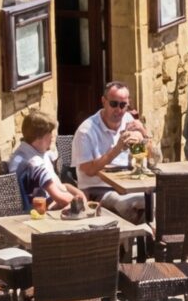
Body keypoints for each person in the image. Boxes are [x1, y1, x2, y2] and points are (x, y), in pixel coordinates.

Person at [72, 81, 152, 225]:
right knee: (132, 204)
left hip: (128, 185)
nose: (119, 110)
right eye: (114, 104)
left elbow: (152, 157)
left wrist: (144, 134)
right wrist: (117, 149)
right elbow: (88, 170)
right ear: (104, 101)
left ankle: (148, 240)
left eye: (123, 105)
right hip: (98, 190)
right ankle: (133, 240)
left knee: (160, 200)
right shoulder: (86, 131)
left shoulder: (128, 120)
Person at [8, 110, 89, 213]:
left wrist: (80, 195)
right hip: (43, 214)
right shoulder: (34, 164)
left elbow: (60, 186)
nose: (52, 136)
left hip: (50, 204)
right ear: (39, 137)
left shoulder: (27, 152)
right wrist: (81, 201)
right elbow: (61, 199)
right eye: (49, 132)